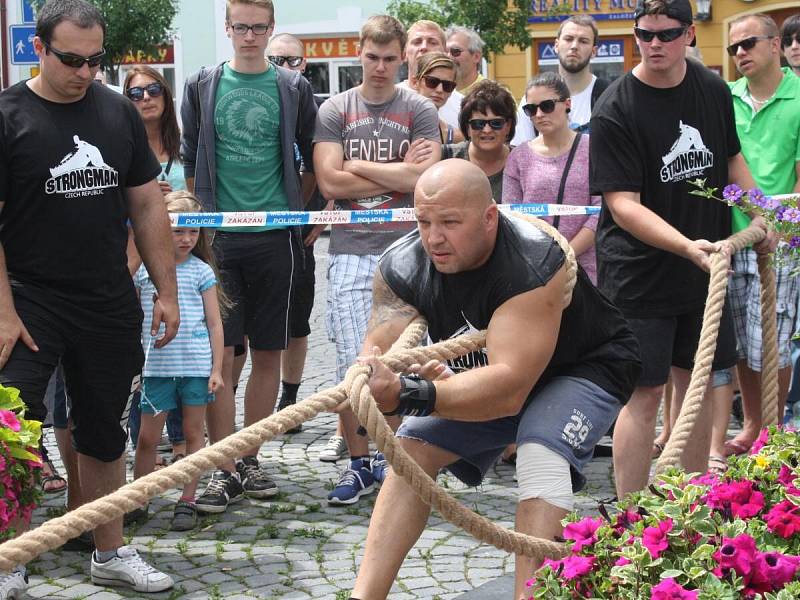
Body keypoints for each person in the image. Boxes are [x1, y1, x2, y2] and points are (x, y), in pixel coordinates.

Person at [349, 159, 641, 600]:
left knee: (541, 450)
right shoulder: (402, 266)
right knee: (411, 449)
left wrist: (410, 393)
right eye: (424, 221)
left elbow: (509, 391)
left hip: (584, 366)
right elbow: (380, 356)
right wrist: (374, 380)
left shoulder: (532, 263)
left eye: (449, 222)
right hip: (499, 374)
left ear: (490, 218)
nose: (434, 238)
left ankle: (531, 596)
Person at [0, 0, 179, 595]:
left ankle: (109, 552)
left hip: (106, 298)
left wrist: (166, 288)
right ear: (39, 49)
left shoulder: (115, 112)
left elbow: (147, 201)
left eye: (95, 60)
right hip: (30, 302)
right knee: (17, 429)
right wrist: (3, 309)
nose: (85, 73)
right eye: (71, 60)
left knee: (105, 431)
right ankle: (11, 557)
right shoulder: (8, 116)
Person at [590, 0, 774, 498]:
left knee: (696, 387)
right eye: (643, 34)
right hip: (640, 273)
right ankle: (629, 516)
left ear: (690, 34)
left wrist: (761, 211)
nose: (653, 45)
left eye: (666, 34)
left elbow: (732, 161)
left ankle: (686, 510)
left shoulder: (712, 90)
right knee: (644, 393)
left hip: (702, 268)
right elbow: (623, 205)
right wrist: (686, 246)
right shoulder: (616, 106)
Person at [180, 0, 318, 514]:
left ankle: (249, 457)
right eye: (241, 27)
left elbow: (309, 153)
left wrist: (296, 211)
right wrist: (204, 221)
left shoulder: (293, 87)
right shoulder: (201, 85)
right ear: (227, 28)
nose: (250, 36)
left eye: (259, 27)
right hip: (220, 238)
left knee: (267, 352)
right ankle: (222, 464)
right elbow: (193, 155)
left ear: (272, 28)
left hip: (276, 236)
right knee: (221, 356)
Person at [313, 14, 440, 505]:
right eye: (372, 57)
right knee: (352, 364)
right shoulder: (335, 109)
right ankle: (358, 463)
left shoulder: (420, 109)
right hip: (349, 248)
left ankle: (394, 459)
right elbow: (329, 184)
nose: (381, 67)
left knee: (397, 363)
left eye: (391, 58)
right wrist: (398, 171)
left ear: (404, 55)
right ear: (359, 54)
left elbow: (422, 181)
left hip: (406, 251)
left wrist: (356, 164)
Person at [722, 13, 800, 456]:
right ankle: (753, 424)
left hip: (782, 242)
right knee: (738, 339)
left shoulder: (799, 96)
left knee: (773, 339)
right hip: (730, 237)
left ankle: (775, 425)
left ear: (775, 44)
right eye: (733, 48)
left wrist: (782, 230)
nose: (739, 54)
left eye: (748, 43)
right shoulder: (725, 97)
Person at [133, 191, 226, 532]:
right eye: (178, 231)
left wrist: (216, 369)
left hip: (195, 368)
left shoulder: (202, 272)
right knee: (146, 439)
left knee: (191, 435)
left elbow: (215, 323)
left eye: (193, 232)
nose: (187, 239)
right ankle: (137, 497)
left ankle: (187, 499)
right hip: (157, 369)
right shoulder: (145, 270)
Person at [123, 65, 187, 467]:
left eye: (152, 90)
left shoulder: (184, 149)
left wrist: (176, 198)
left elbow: (199, 205)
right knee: (139, 356)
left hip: (176, 262)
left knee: (179, 352)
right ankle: (139, 440)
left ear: (165, 97)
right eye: (135, 94)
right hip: (131, 263)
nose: (145, 98)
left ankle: (180, 440)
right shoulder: (121, 144)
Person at [266, 32, 327, 434]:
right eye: (276, 60)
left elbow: (323, 167)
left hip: (300, 226)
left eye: (291, 61)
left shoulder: (314, 109)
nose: (284, 68)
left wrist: (321, 211)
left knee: (298, 320)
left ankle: (289, 397)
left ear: (304, 65)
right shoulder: (258, 105)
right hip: (257, 227)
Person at [503, 72, 600, 284]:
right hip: (535, 270)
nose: (538, 114)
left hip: (587, 272)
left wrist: (567, 255)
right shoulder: (519, 157)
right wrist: (542, 261)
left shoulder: (594, 149)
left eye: (546, 106)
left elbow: (600, 212)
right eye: (531, 109)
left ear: (567, 104)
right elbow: (512, 217)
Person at [512, 15, 609, 146]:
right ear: (556, 45)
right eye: (568, 39)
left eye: (583, 41)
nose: (574, 46)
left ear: (594, 51)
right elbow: (522, 152)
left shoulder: (607, 96)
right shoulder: (533, 99)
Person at [442, 79, 516, 202]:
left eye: (496, 123)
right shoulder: (445, 157)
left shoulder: (522, 160)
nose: (487, 130)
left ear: (508, 126)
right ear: (467, 127)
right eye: (478, 123)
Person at [399, 20, 462, 129]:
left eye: (432, 42)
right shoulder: (388, 100)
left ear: (445, 53)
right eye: (417, 42)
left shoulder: (462, 105)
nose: (424, 47)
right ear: (404, 54)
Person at [408, 51, 464, 144]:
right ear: (415, 82)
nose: (439, 90)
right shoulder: (393, 125)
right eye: (432, 82)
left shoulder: (456, 137)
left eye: (447, 85)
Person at [445, 25, 485, 95]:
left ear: (476, 57)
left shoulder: (493, 95)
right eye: (444, 52)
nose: (448, 57)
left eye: (455, 51)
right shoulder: (438, 91)